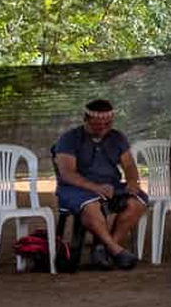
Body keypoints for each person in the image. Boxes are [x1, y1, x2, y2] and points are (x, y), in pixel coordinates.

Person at [50, 99, 147, 271]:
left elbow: (130, 165)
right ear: (85, 120)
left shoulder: (117, 137)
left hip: (110, 186)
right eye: (97, 124)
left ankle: (105, 249)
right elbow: (67, 173)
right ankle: (115, 250)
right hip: (75, 188)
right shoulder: (69, 138)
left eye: (107, 124)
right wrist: (95, 187)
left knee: (138, 201)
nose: (102, 128)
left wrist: (132, 182)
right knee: (90, 205)